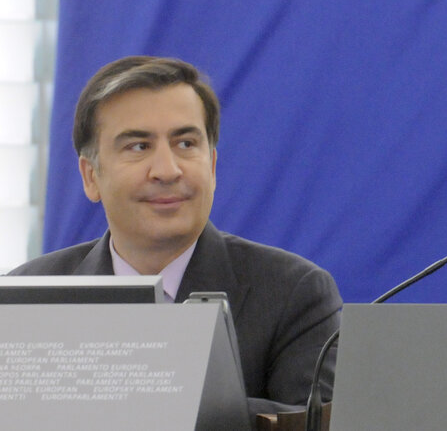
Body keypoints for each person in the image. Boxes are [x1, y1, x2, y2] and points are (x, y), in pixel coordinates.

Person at [8, 56, 341, 419]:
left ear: (212, 166)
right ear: (91, 176)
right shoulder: (27, 297)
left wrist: (132, 399)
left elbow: (312, 423)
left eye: (185, 144)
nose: (167, 170)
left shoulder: (295, 293)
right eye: (138, 146)